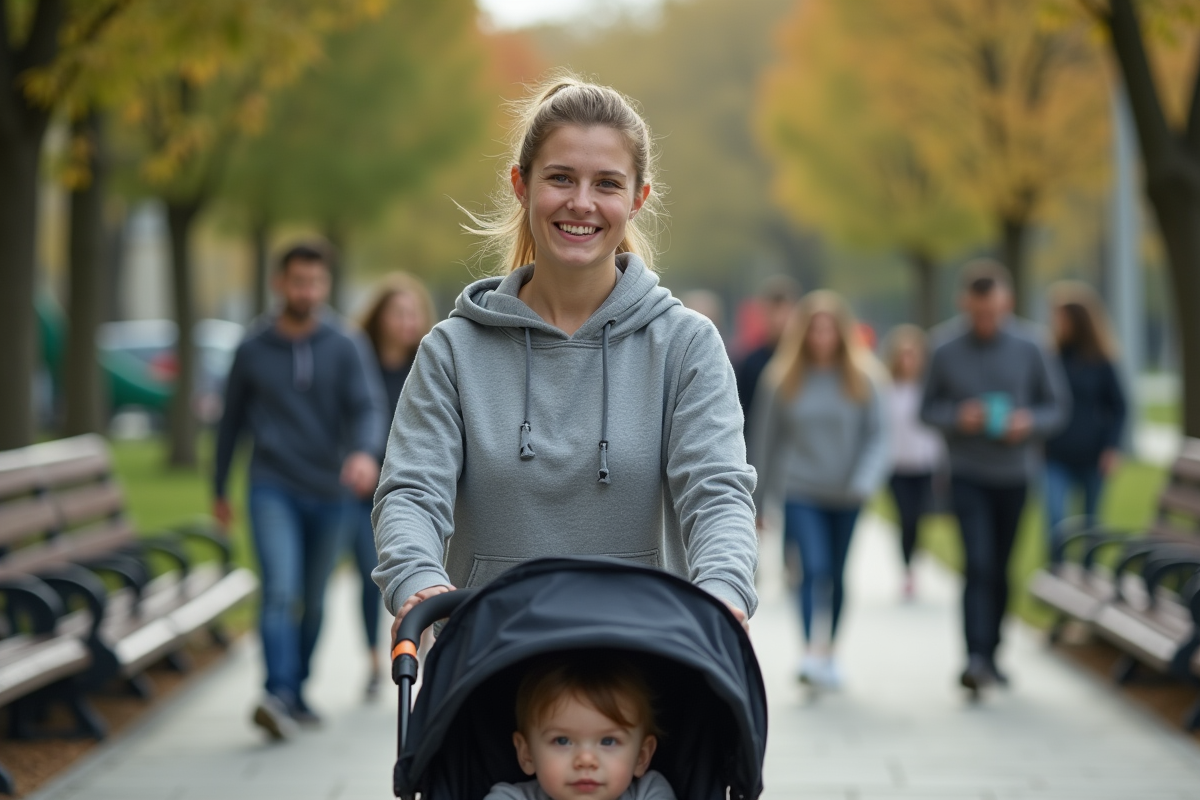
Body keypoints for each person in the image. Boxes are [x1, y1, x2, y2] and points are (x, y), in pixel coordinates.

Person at [372, 74, 758, 635]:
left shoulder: (685, 346)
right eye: (560, 178)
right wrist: (416, 577)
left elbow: (718, 492)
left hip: (643, 656)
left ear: (637, 198)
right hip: (491, 653)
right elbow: (411, 491)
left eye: (607, 183)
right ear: (521, 185)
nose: (581, 202)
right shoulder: (452, 351)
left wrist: (723, 590)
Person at [213, 242, 388, 739]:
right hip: (272, 484)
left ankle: (296, 689)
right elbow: (230, 423)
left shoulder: (346, 343)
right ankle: (278, 692)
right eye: (297, 282)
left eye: (314, 282)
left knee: (312, 601)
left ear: (325, 285)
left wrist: (362, 452)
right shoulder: (252, 348)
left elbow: (368, 407)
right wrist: (219, 487)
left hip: (330, 489)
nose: (306, 291)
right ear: (279, 283)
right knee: (280, 590)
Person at [920, 259, 1068, 693]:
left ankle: (995, 650)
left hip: (1016, 472)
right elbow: (926, 409)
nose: (986, 321)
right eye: (978, 313)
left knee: (1001, 566)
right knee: (977, 562)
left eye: (994, 312)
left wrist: (1029, 422)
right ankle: (975, 657)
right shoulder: (943, 348)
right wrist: (957, 417)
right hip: (967, 472)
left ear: (1008, 304)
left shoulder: (1032, 346)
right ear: (964, 304)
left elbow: (1058, 406)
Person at [749, 290, 890, 689]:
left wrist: (865, 480)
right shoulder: (782, 379)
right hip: (800, 489)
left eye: (829, 328)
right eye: (814, 329)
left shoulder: (865, 379)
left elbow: (878, 437)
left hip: (848, 492)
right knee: (812, 569)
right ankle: (810, 651)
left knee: (839, 574)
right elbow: (764, 441)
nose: (822, 336)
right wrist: (758, 503)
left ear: (842, 332)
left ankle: (830, 652)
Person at [352, 272, 436, 698]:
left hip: (416, 486)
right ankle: (372, 655)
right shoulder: (358, 360)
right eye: (397, 313)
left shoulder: (428, 364)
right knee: (373, 575)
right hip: (366, 489)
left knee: (423, 572)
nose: (406, 322)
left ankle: (417, 651)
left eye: (412, 313)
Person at [486, 655, 674, 800]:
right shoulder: (511, 797)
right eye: (562, 740)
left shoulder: (648, 792)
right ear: (527, 754)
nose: (585, 760)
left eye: (608, 741)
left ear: (641, 756)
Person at [1043, 281, 1127, 558]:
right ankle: (1057, 571)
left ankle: (1087, 572)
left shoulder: (1101, 360)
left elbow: (1120, 406)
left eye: (1061, 317)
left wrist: (1112, 448)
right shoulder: (1051, 358)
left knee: (1091, 522)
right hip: (1055, 454)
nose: (1056, 323)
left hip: (1093, 454)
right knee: (1056, 517)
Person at [883, 324, 944, 600]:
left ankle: (913, 565)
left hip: (923, 465)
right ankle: (906, 567)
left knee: (918, 518)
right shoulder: (886, 389)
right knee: (905, 516)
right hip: (896, 466)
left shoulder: (928, 390)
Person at [735, 275, 800, 436]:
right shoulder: (750, 363)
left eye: (786, 311)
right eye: (774, 311)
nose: (780, 320)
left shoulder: (805, 361)